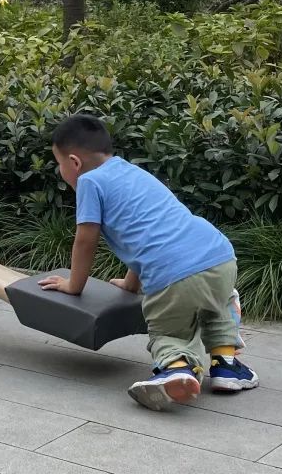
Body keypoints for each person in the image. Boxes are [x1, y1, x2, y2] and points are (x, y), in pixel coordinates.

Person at [41, 114, 258, 411]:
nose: (60, 170)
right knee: (216, 306)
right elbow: (150, 235)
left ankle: (177, 368)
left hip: (173, 277)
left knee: (170, 331)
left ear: (74, 163)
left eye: (59, 163)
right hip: (219, 258)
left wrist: (73, 285)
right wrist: (131, 284)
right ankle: (227, 366)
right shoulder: (131, 172)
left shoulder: (89, 182)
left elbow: (85, 240)